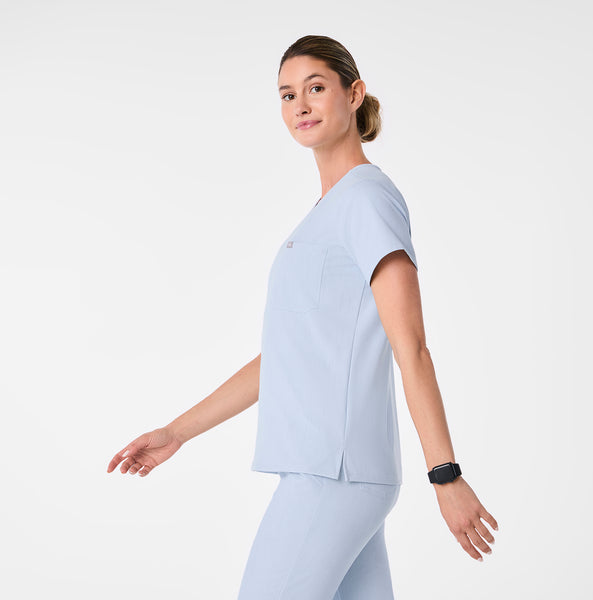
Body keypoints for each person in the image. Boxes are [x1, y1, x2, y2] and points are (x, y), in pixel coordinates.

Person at [107, 34, 499, 599]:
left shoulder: (366, 200)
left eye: (315, 88)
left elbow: (410, 346)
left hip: (333, 472)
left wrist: (446, 475)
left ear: (354, 94)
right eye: (287, 95)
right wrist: (176, 433)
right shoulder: (328, 212)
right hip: (333, 471)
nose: (300, 105)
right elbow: (286, 357)